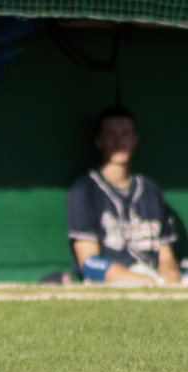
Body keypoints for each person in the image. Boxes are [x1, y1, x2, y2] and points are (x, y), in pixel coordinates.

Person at [66, 105, 181, 286]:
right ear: (99, 141)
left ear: (134, 139)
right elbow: (89, 263)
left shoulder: (151, 191)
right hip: (112, 281)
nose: (119, 141)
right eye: (111, 134)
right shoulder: (85, 190)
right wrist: (143, 280)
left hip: (153, 277)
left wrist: (172, 279)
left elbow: (166, 257)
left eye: (125, 134)